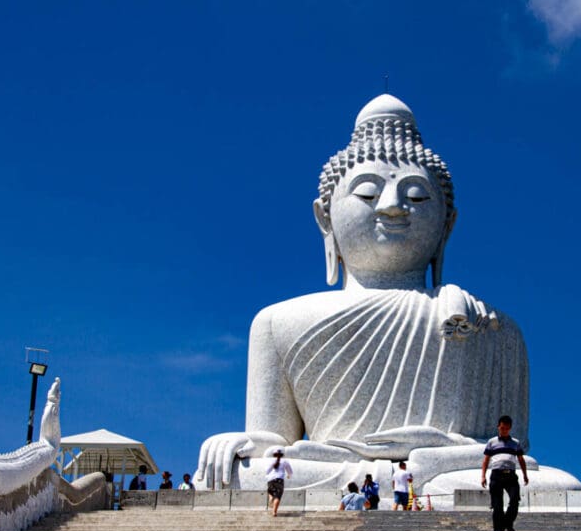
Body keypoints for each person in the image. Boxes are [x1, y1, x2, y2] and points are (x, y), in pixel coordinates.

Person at [194, 94, 561, 498]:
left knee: (558, 483)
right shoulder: (276, 322)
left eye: (417, 196)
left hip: (445, 470)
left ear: (447, 225)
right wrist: (243, 443)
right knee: (245, 473)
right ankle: (394, 484)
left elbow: (512, 451)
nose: (392, 207)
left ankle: (401, 481)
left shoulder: (493, 328)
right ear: (325, 218)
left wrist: (434, 459)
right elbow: (273, 442)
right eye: (367, 193)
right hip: (326, 468)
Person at [481, 415, 528, 531]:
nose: (504, 430)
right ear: (498, 427)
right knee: (497, 504)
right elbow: (486, 460)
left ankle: (508, 523)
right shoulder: (492, 442)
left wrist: (525, 474)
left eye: (507, 428)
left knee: (514, 500)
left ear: (510, 428)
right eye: (502, 428)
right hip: (496, 474)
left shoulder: (515, 443)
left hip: (510, 475)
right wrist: (483, 476)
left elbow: (521, 459)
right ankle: (498, 529)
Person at [265, 447, 293, 516]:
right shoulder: (285, 461)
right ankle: (274, 512)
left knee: (270, 492)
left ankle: (271, 498)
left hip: (271, 480)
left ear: (274, 454)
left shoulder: (271, 461)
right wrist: (289, 476)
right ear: (282, 455)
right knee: (277, 496)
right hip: (279, 480)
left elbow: (267, 471)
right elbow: (290, 472)